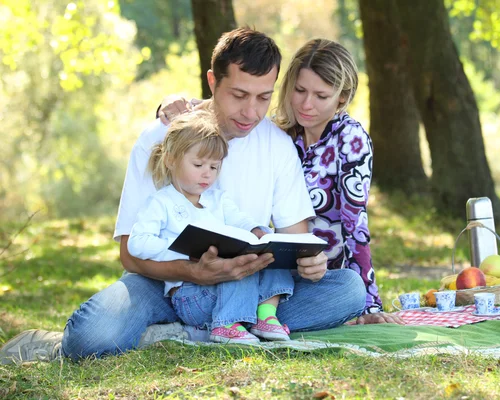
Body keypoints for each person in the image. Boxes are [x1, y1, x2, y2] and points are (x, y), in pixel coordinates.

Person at [0, 27, 366, 364]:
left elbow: (293, 241)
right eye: (239, 95)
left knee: (347, 290)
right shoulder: (159, 139)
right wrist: (192, 271)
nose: (251, 112)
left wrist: (309, 263)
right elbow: (129, 253)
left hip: (243, 285)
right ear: (212, 81)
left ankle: (183, 335)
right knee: (90, 338)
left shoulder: (277, 145)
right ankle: (213, 329)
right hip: (163, 284)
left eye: (263, 98)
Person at [128, 111, 293, 343]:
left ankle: (265, 316)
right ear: (171, 160)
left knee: (271, 256)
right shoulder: (161, 203)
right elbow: (138, 243)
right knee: (238, 269)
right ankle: (225, 325)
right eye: (198, 164)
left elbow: (240, 220)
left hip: (221, 288)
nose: (207, 173)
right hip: (190, 294)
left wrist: (257, 231)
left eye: (214, 167)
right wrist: (185, 250)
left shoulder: (218, 199)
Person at [274, 39, 401, 325]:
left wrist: (369, 305)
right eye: (300, 90)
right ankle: (262, 318)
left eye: (321, 96)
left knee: (349, 290)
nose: (307, 104)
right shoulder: (275, 133)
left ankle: (254, 320)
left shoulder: (351, 140)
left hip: (318, 280)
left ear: (341, 98)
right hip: (267, 272)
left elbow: (355, 227)